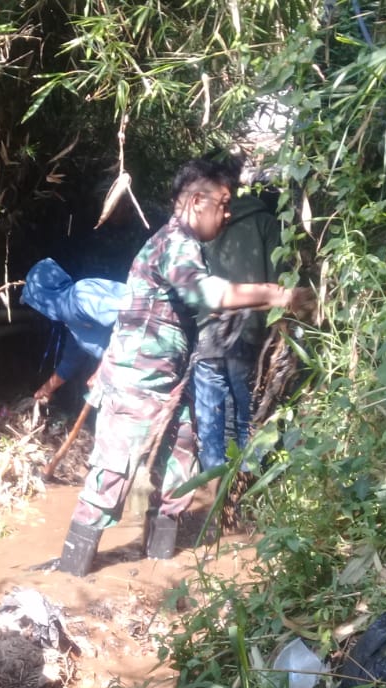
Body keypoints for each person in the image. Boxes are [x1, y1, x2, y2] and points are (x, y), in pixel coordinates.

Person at [57, 157, 313, 576]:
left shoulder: (190, 247)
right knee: (110, 480)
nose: (228, 213)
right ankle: (70, 576)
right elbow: (206, 294)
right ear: (197, 201)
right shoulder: (174, 243)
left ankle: (158, 572)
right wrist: (276, 294)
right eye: (224, 203)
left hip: (171, 383)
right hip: (136, 381)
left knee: (178, 476)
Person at [196, 177, 284, 471]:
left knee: (211, 421)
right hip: (246, 334)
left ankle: (213, 493)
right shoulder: (266, 223)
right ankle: (246, 491)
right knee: (248, 417)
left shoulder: (207, 223)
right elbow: (278, 283)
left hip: (208, 334)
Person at [20, 258, 129, 407]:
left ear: (43, 299)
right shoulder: (72, 324)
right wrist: (46, 389)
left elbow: (131, 320)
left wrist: (103, 370)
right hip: (131, 364)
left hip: (152, 351)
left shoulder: (81, 295)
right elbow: (70, 362)